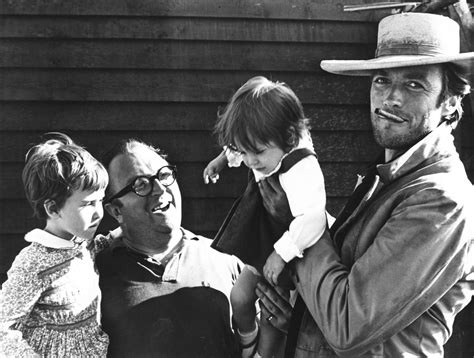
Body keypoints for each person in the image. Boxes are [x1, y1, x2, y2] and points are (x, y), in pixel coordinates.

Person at [256, 12, 474, 357]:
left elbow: (347, 326)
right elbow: (355, 309)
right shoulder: (392, 178)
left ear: (449, 102)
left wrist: (300, 222)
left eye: (414, 84)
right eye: (382, 80)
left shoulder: (441, 199)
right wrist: (303, 322)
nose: (391, 99)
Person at [203, 76, 327, 357]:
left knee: (274, 315)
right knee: (240, 297)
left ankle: (263, 353)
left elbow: (313, 218)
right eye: (243, 152)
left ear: (290, 138)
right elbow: (241, 146)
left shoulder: (301, 168)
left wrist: (282, 253)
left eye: (257, 152)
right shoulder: (263, 147)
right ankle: (247, 340)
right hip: (266, 237)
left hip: (297, 248)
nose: (249, 161)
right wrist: (223, 160)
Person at [96, 138, 246, 357]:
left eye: (164, 175)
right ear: (116, 211)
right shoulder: (93, 274)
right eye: (140, 184)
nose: (159, 188)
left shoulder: (225, 260)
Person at [0, 132, 118, 357]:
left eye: (100, 200)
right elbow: (2, 326)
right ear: (52, 209)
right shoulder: (33, 262)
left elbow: (97, 247)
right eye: (88, 204)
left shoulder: (81, 244)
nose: (99, 213)